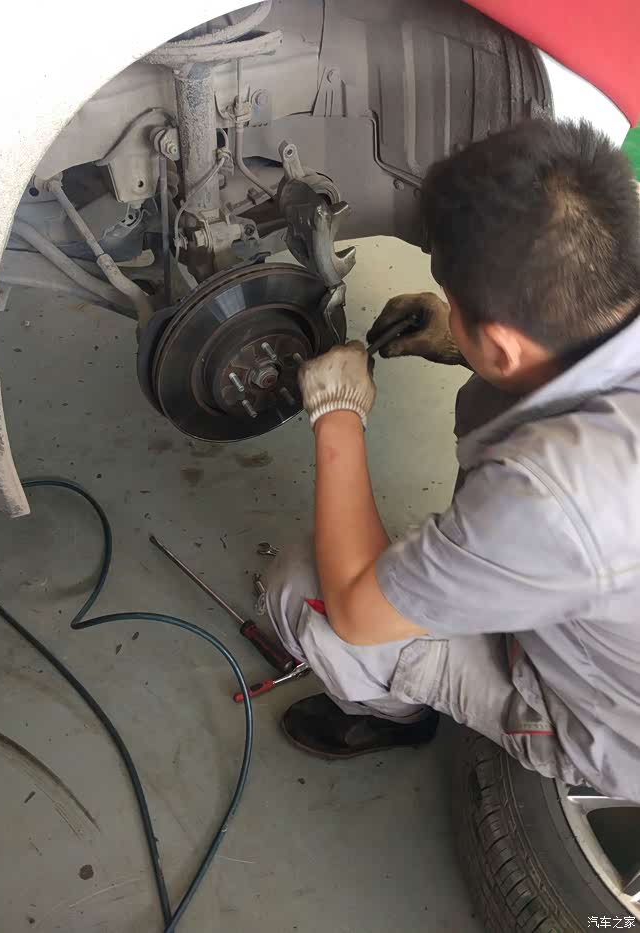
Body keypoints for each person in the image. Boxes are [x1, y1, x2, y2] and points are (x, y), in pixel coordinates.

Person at [264, 119, 640, 802]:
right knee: (493, 405)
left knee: (304, 588)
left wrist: (336, 414)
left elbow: (356, 612)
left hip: (608, 724)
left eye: (458, 307)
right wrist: (463, 340)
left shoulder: (550, 498)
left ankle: (396, 715)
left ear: (504, 345)